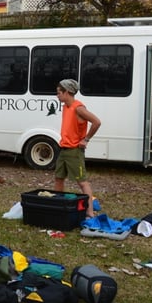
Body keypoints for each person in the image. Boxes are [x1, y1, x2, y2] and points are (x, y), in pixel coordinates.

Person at [53, 79, 101, 216]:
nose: (57, 95)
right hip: (63, 149)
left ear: (67, 92)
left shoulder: (79, 108)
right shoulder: (65, 107)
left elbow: (97, 122)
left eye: (59, 93)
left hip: (74, 151)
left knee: (82, 182)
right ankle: (58, 206)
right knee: (58, 178)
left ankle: (90, 212)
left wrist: (86, 139)